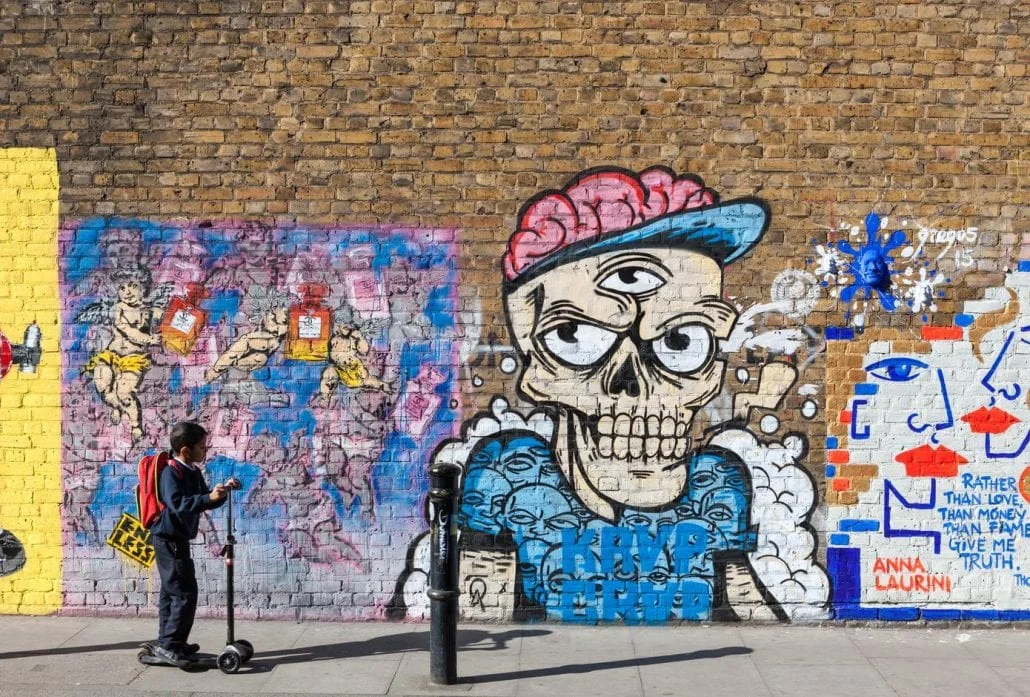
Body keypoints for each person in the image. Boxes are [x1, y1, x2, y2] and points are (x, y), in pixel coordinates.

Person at [148, 421, 228, 667]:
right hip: (168, 539)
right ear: (185, 450)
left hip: (178, 538)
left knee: (172, 592)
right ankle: (169, 645)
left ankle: (170, 641)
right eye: (202, 447)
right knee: (184, 593)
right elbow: (179, 504)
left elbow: (201, 500)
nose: (205, 451)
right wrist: (206, 497)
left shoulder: (191, 470)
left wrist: (218, 494)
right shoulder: (171, 472)